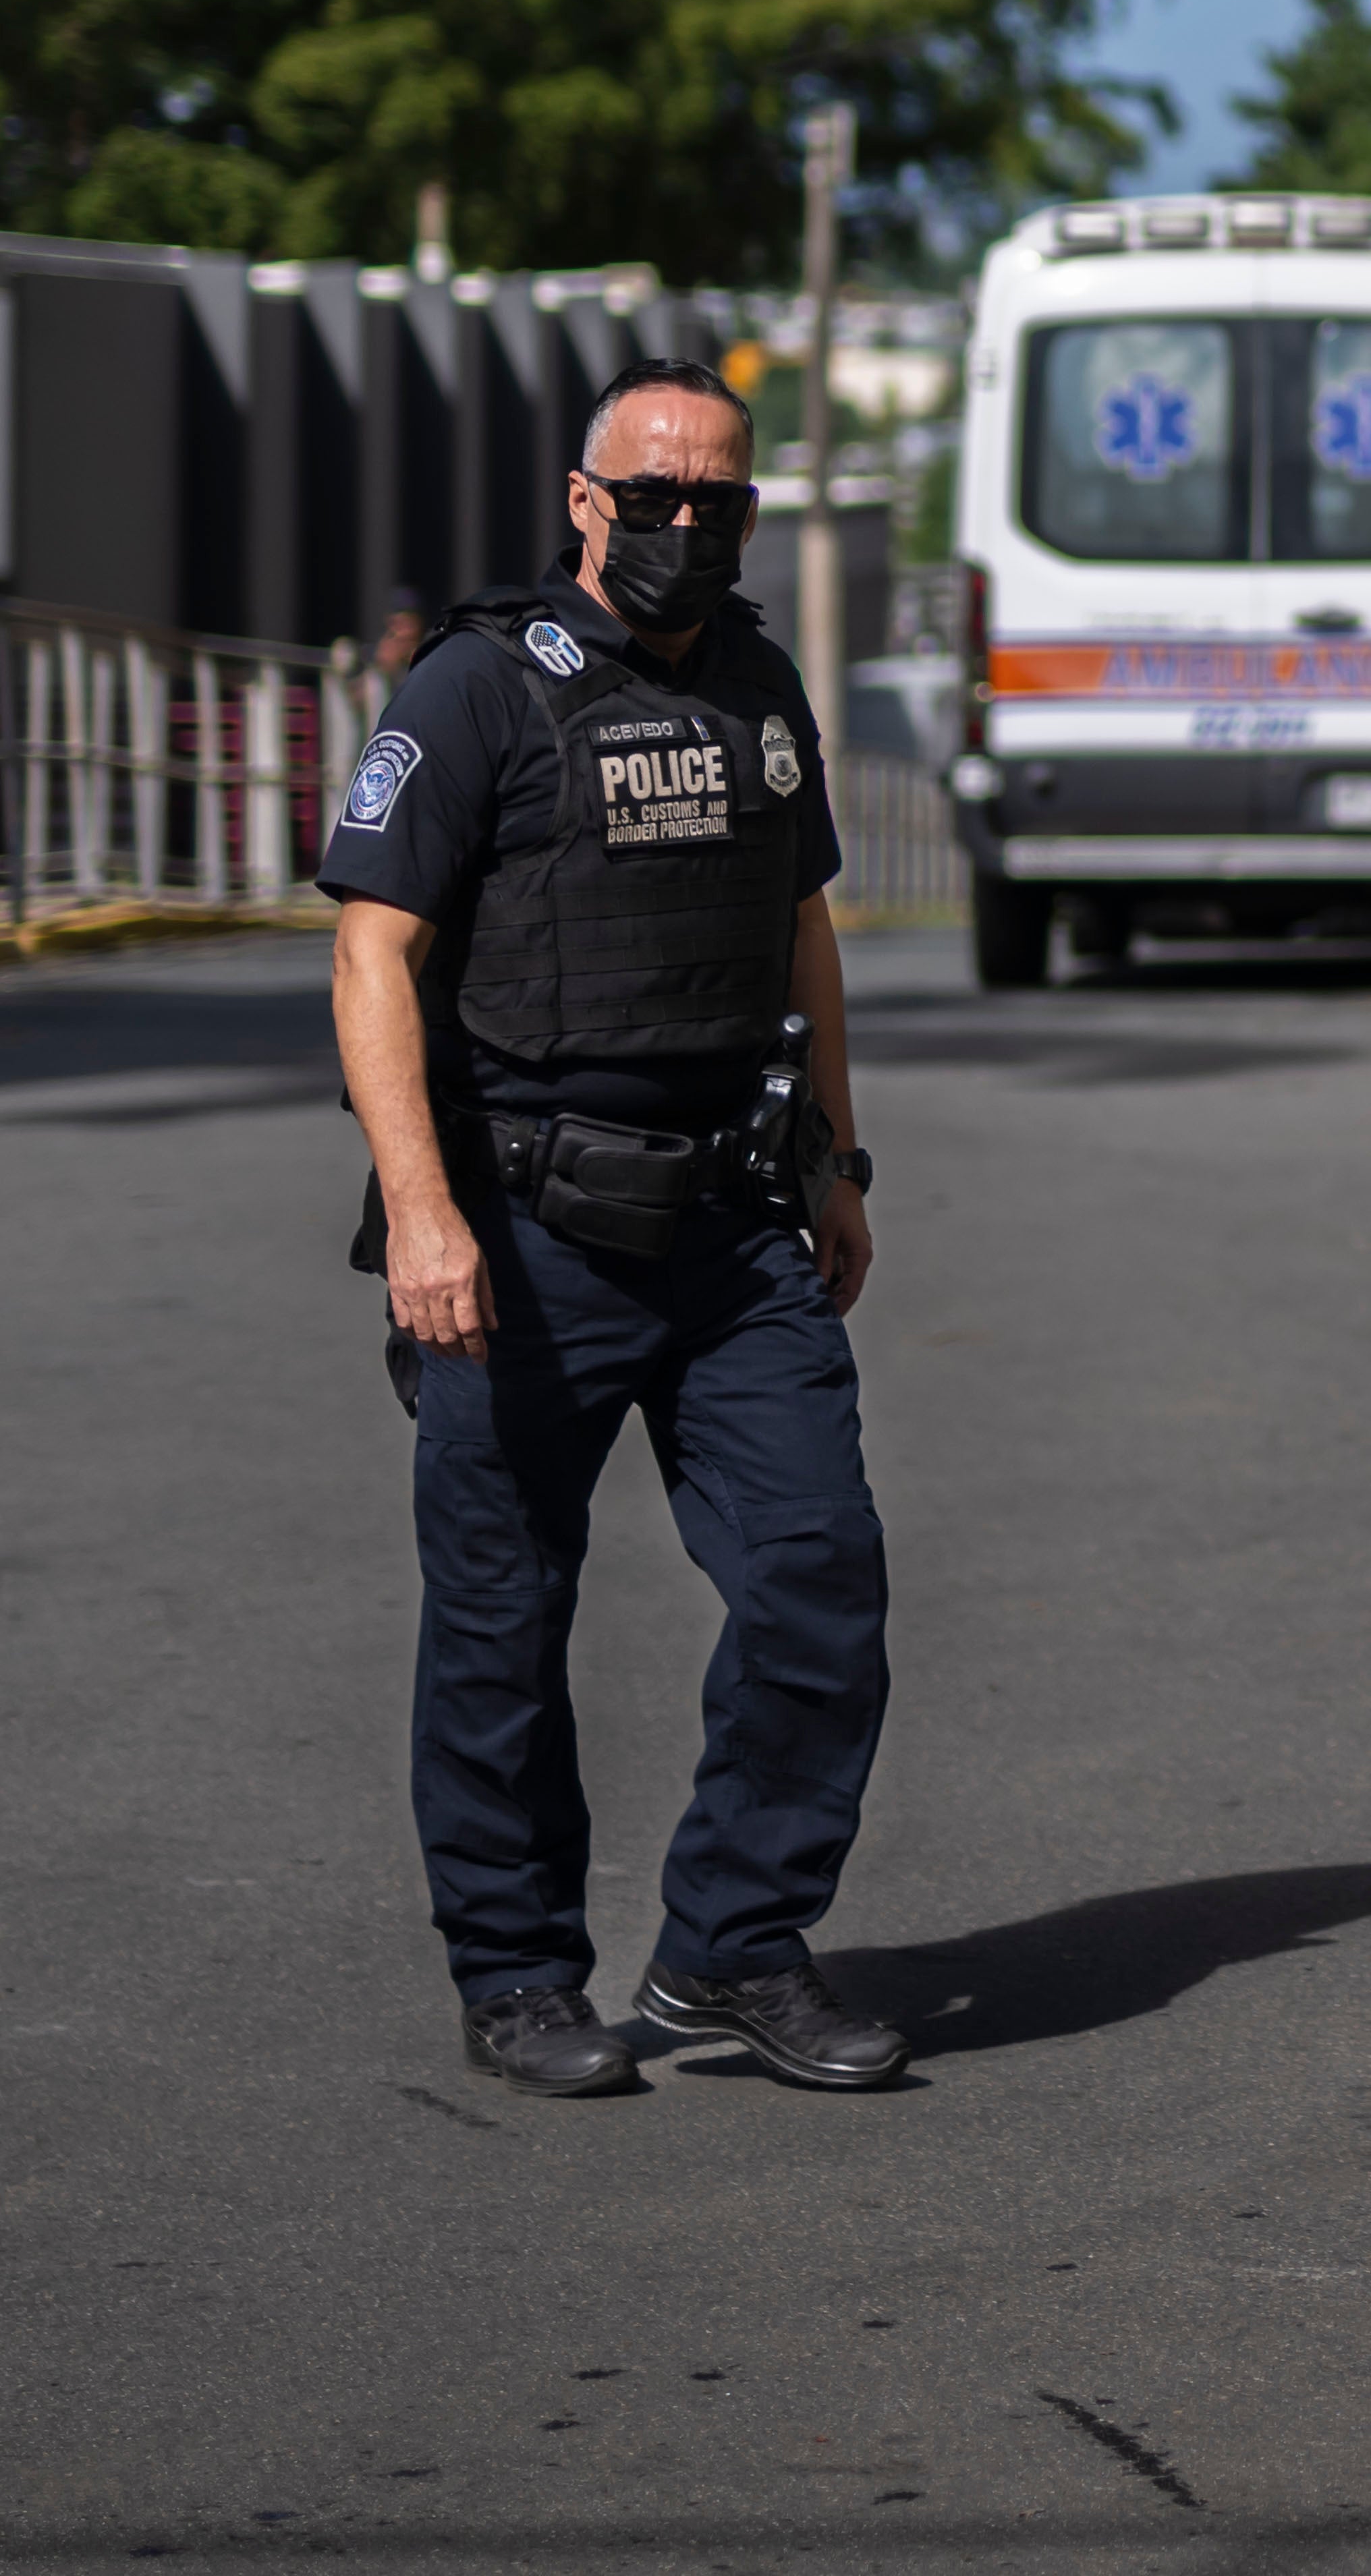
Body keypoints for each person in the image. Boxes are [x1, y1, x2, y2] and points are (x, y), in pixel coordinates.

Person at [325, 357, 905, 2100]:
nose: (677, 528)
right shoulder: (476, 693)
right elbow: (371, 957)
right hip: (523, 1231)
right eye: (645, 499)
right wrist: (423, 1216)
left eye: (712, 504)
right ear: (583, 502)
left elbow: (803, 930)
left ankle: (733, 1944)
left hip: (733, 1231)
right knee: (503, 1620)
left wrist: (840, 1161)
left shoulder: (760, 685)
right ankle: (514, 1976)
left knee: (819, 1582)